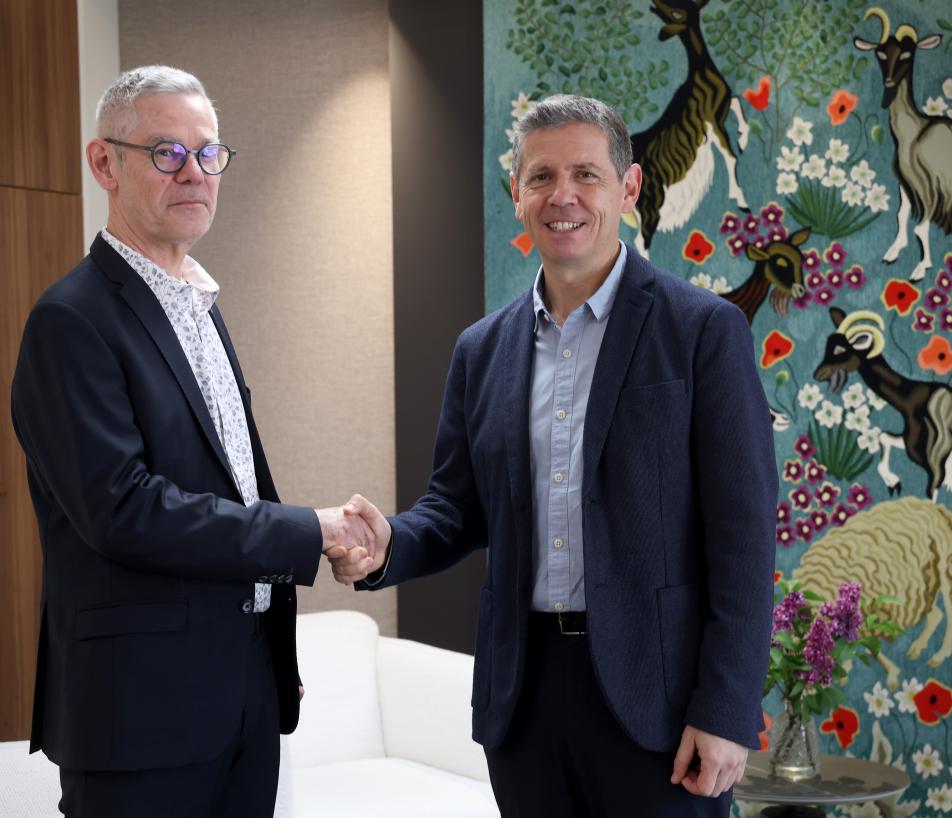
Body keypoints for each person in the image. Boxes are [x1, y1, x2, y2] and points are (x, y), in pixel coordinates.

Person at [327, 94, 777, 817]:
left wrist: (726, 707)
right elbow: (455, 509)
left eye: (585, 175)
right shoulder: (481, 350)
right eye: (540, 177)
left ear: (628, 189)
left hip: (657, 703)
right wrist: (386, 545)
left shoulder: (703, 333)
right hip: (524, 698)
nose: (561, 196)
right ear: (517, 194)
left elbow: (745, 540)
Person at [11, 65, 368, 818]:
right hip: (140, 714)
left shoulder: (199, 307)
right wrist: (310, 530)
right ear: (104, 162)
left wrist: (270, 651)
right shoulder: (70, 321)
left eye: (209, 153)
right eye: (166, 152)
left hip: (243, 694)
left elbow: (229, 485)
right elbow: (123, 510)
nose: (195, 172)